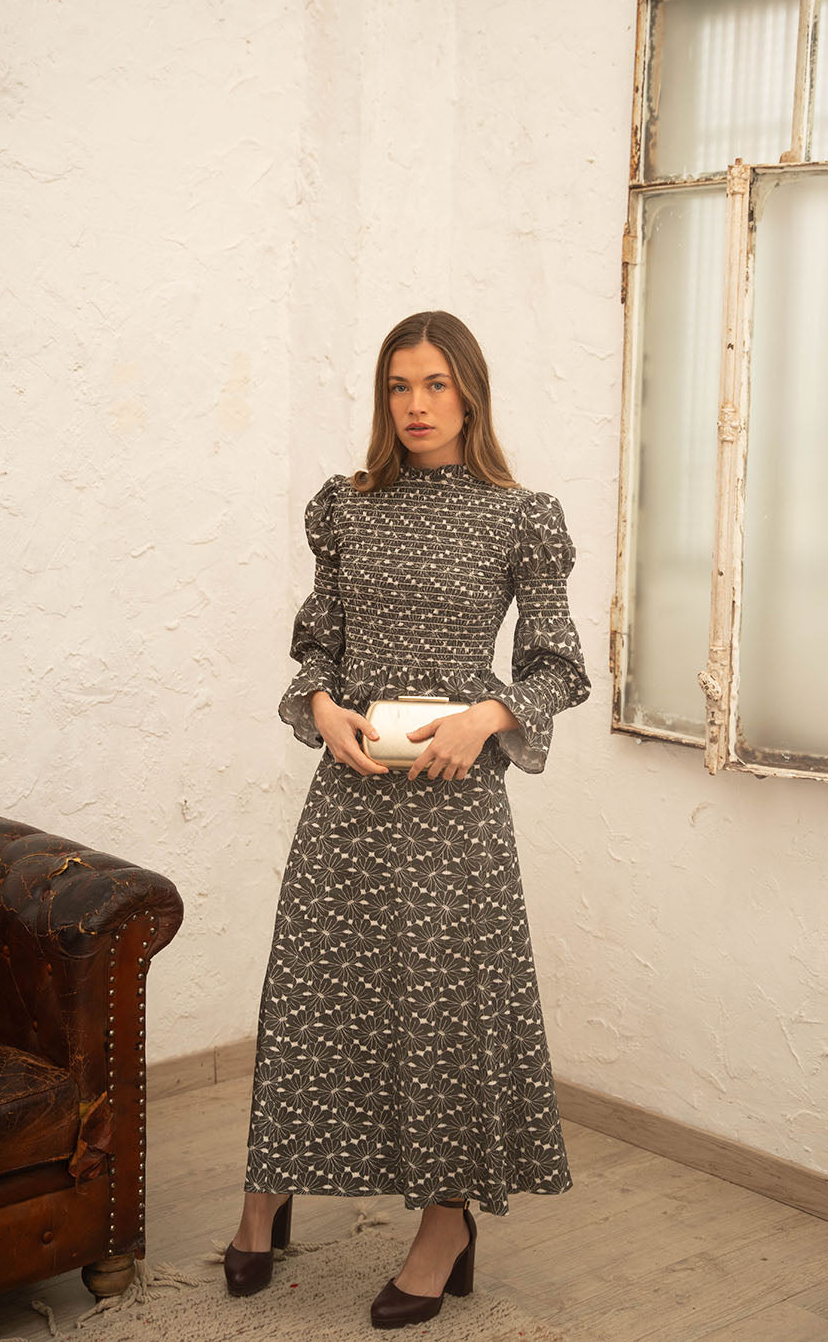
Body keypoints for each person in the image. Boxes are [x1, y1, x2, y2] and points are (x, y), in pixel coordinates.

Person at [225, 311, 590, 1329]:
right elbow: (317, 646)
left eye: (435, 384)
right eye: (399, 386)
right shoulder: (345, 507)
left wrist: (487, 717)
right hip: (350, 789)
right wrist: (320, 706)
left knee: (444, 1008)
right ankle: (264, 1198)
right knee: (311, 991)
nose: (416, 405)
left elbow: (559, 669)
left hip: (453, 799)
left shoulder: (521, 517)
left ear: (469, 392)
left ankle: (444, 1227)